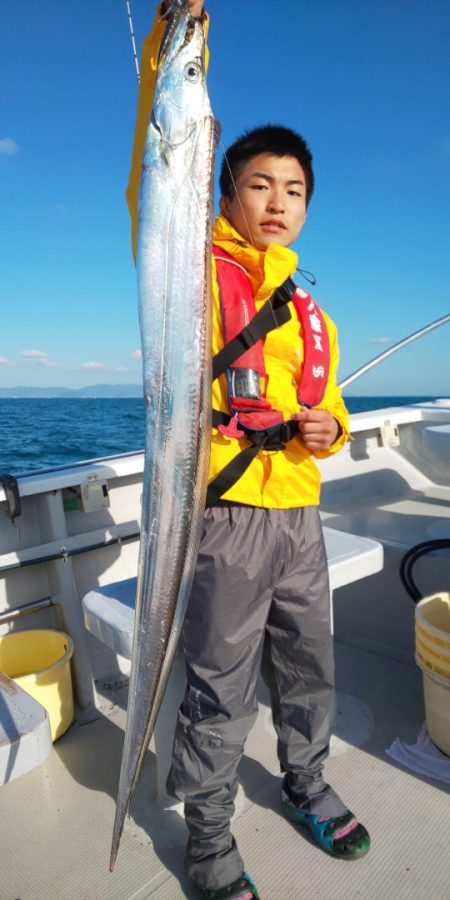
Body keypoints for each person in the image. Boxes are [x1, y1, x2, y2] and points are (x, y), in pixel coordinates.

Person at [127, 4, 370, 899]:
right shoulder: (191, 264)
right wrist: (174, 48)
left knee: (310, 667)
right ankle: (209, 833)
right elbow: (153, 170)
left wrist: (332, 429)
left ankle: (308, 780)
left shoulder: (311, 310)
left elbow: (327, 401)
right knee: (219, 683)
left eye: (294, 190)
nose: (277, 202)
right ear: (223, 188)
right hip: (224, 518)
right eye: (259, 184)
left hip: (299, 516)